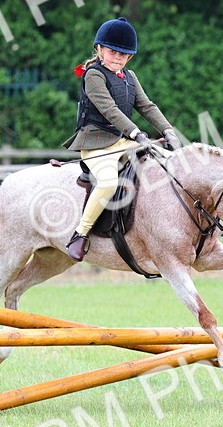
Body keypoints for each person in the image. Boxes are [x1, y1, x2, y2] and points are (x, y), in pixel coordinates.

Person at [63, 17, 182, 261]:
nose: (117, 58)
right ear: (99, 49)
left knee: (168, 163)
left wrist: (169, 131)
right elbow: (110, 110)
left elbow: (146, 106)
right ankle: (81, 233)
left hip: (123, 141)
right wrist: (138, 134)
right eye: (112, 52)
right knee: (107, 182)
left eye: (123, 55)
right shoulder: (93, 75)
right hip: (95, 144)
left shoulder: (130, 76)